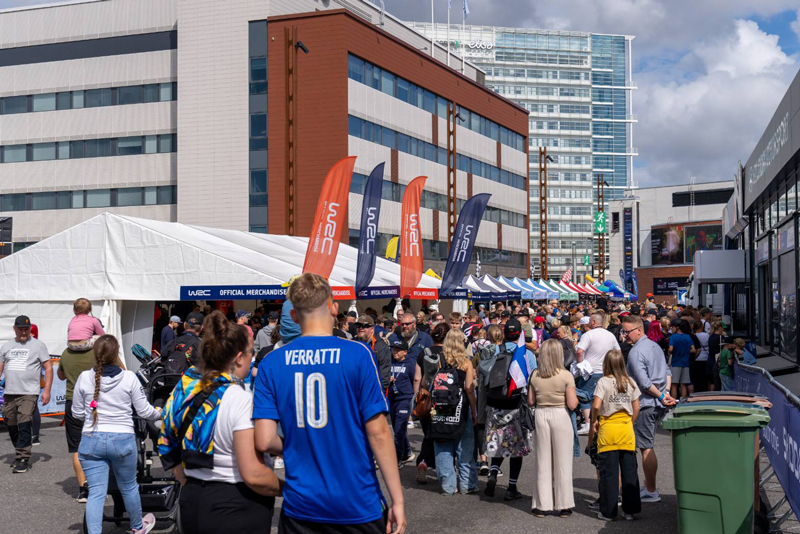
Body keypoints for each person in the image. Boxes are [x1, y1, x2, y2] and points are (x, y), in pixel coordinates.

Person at [252, 274, 406, 534]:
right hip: (357, 503)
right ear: (334, 308)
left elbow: (265, 440)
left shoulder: (271, 363)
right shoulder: (358, 354)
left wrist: (300, 443)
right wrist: (397, 500)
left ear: (294, 315)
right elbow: (379, 433)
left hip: (301, 505)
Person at [158, 311, 281, 533]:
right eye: (251, 353)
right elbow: (254, 474)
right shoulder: (239, 398)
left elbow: (166, 442)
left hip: (192, 500)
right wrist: (292, 489)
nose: (252, 357)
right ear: (239, 357)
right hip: (236, 505)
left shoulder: (184, 387)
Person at [73, 335, 161, 534]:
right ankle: (137, 527)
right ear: (116, 353)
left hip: (91, 439)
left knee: (96, 493)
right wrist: (159, 413)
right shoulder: (129, 377)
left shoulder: (84, 377)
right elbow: (144, 411)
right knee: (128, 487)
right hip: (122, 439)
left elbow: (77, 413)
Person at [622, 315, 674, 504]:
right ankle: (649, 486)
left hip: (646, 404)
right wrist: (665, 393)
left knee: (646, 447)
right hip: (656, 402)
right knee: (647, 445)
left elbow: (644, 383)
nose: (625, 336)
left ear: (638, 330)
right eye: (624, 332)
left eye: (627, 332)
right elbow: (667, 372)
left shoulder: (636, 352)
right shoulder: (655, 346)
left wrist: (661, 396)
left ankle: (651, 490)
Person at [483, 319, 536, 501]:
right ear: (520, 334)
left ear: (504, 333)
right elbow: (533, 379)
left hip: (495, 405)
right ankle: (511, 487)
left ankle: (493, 472)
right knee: (516, 448)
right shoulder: (527, 354)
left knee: (498, 443)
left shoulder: (494, 351)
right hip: (516, 406)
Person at [528, 339, 578, 517]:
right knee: (563, 461)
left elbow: (531, 401)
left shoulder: (535, 374)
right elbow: (572, 404)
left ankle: (542, 505)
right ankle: (564, 505)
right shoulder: (566, 375)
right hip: (560, 414)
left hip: (541, 414)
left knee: (543, 461)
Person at [590, 350, 642, 521]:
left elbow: (596, 405)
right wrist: (630, 422)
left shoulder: (603, 382)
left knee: (609, 474)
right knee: (629, 472)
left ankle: (609, 511)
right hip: (626, 429)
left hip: (608, 430)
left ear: (606, 364)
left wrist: (594, 420)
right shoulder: (630, 382)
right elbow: (636, 407)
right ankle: (630, 510)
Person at [0, 315, 53, 473]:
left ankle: (23, 458)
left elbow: (48, 368)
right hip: (10, 392)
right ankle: (19, 452)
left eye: (26, 329)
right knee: (10, 422)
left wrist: (47, 390)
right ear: (14, 329)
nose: (24, 332)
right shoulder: (6, 346)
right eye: (21, 329)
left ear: (30, 329)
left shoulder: (38, 345)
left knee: (24, 422)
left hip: (29, 392)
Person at [429, 329, 478, 495]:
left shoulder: (437, 360)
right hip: (460, 408)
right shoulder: (466, 363)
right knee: (465, 447)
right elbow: (469, 389)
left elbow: (426, 383)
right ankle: (467, 484)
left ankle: (448, 486)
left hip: (439, 409)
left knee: (443, 447)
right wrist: (474, 411)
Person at [58, 341, 98, 501]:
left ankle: (83, 489)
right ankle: (100, 485)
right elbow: (121, 370)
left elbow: (61, 376)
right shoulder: (99, 350)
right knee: (100, 444)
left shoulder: (66, 353)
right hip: (97, 400)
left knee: (77, 447)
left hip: (72, 400)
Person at [575, 312, 620, 435]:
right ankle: (600, 421)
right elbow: (618, 352)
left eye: (590, 321)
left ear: (593, 322)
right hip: (606, 370)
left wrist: (580, 364)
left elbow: (579, 351)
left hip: (591, 370)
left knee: (585, 397)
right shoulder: (610, 335)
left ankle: (588, 423)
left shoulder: (588, 335)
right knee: (603, 397)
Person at [389, 340, 417, 466]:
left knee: (399, 431)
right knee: (398, 428)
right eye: (394, 349)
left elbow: (414, 380)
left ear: (405, 352)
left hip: (404, 399)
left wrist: (413, 399)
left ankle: (397, 459)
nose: (395, 352)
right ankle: (407, 452)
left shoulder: (410, 364)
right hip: (392, 399)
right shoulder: (390, 362)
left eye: (398, 350)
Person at [355, 315, 392, 392]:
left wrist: (378, 393)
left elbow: (384, 375)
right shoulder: (352, 343)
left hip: (373, 391)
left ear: (372, 329)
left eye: (364, 326)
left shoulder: (381, 346)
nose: (360, 328)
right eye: (358, 325)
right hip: (355, 390)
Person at [669, 320, 695, 399]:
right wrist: (685, 351)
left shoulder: (673, 337)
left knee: (674, 384)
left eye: (673, 327)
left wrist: (673, 351)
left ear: (677, 327)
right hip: (685, 363)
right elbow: (693, 349)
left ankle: (673, 401)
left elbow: (670, 349)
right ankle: (683, 400)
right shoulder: (687, 337)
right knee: (683, 384)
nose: (672, 328)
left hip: (676, 363)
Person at [692, 320, 710, 392]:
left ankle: (697, 389)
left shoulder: (694, 336)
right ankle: (704, 389)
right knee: (704, 376)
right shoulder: (706, 335)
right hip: (705, 357)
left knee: (697, 376)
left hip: (696, 357)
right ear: (702, 326)